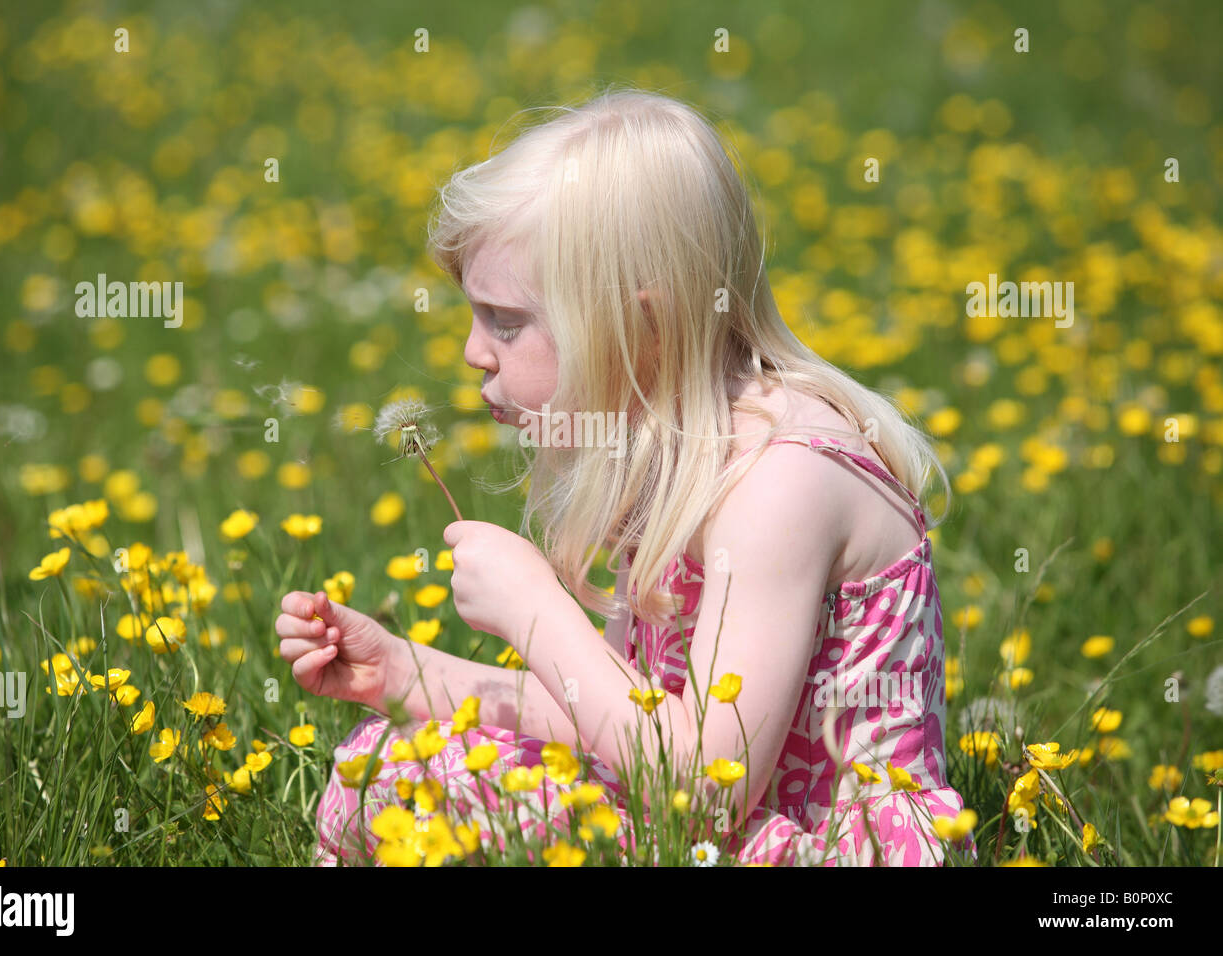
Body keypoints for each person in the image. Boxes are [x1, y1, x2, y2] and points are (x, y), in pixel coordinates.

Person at [277, 86, 976, 866]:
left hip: (821, 849)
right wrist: (403, 671)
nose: (475, 352)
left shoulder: (779, 484)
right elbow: (614, 715)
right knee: (385, 765)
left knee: (426, 790)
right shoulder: (669, 457)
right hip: (708, 828)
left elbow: (709, 783)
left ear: (641, 325)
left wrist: (538, 612)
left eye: (506, 321)